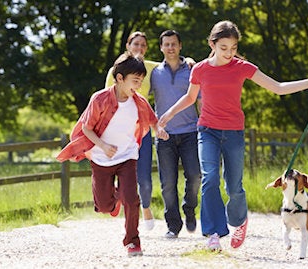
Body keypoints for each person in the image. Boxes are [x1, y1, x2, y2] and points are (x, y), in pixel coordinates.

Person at [157, 20, 308, 252]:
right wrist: (168, 113)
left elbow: (278, 87)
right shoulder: (200, 69)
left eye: (233, 47)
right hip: (207, 130)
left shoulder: (242, 67)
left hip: (234, 133)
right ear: (212, 44)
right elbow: (190, 98)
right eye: (224, 47)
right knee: (209, 179)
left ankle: (238, 222)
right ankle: (214, 233)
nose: (229, 53)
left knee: (234, 186)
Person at [57, 52, 168, 257]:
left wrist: (159, 130)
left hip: (127, 156)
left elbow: (152, 120)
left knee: (132, 199)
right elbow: (87, 128)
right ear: (119, 78)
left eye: (141, 80)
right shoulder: (99, 99)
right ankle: (113, 200)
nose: (138, 85)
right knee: (105, 205)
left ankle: (132, 241)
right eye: (135, 80)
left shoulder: (139, 102)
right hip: (101, 157)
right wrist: (103, 145)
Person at [149, 30, 201, 239]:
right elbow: (141, 97)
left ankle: (189, 208)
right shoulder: (154, 73)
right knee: (168, 183)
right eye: (166, 44)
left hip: (190, 132)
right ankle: (173, 225)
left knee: (195, 176)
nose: (170, 48)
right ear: (161, 47)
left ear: (180, 46)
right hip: (164, 136)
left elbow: (200, 99)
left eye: (174, 44)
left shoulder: (191, 69)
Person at [104, 31, 159, 230]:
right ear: (128, 46)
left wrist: (187, 59)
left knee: (144, 178)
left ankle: (145, 207)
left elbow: (173, 66)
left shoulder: (153, 68)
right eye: (136, 44)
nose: (140, 48)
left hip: (142, 131)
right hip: (119, 131)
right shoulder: (115, 70)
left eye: (143, 45)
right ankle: (117, 198)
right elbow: (107, 99)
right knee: (120, 172)